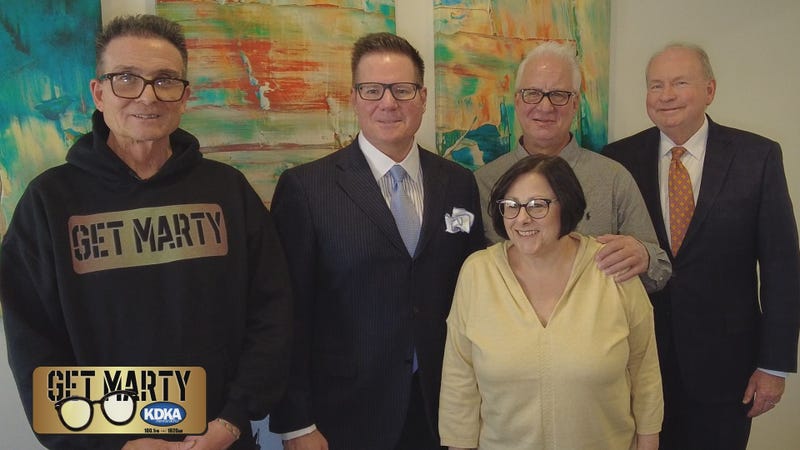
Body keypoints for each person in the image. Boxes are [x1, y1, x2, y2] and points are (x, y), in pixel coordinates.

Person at [0, 15, 292, 450]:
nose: (147, 96)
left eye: (165, 80)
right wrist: (114, 443)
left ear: (184, 95)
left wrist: (231, 420)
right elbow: (34, 345)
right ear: (98, 93)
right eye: (126, 79)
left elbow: (272, 311)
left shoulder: (227, 191)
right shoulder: (48, 202)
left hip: (218, 437)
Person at [267, 32, 485, 450]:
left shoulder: (458, 183)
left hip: (445, 410)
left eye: (402, 90)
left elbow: (476, 292)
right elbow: (287, 313)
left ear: (422, 97)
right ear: (354, 97)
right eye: (373, 90)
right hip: (344, 418)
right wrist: (296, 423)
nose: (388, 103)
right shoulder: (307, 188)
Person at [603, 43, 800, 450]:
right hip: (638, 362)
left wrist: (773, 365)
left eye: (679, 82)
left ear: (709, 89)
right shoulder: (618, 159)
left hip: (727, 366)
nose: (666, 95)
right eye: (655, 85)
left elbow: (782, 267)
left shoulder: (756, 156)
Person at [439, 154, 663, 450]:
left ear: (566, 205)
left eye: (537, 205)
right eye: (511, 205)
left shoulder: (612, 267)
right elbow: (460, 380)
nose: (522, 218)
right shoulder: (478, 272)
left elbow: (644, 372)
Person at [475, 41, 671, 293]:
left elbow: (660, 269)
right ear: (517, 101)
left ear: (575, 104)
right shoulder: (482, 182)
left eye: (559, 95)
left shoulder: (613, 178)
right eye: (532, 93)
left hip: (596, 328)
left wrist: (644, 256)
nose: (545, 107)